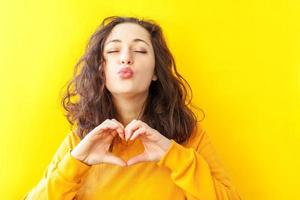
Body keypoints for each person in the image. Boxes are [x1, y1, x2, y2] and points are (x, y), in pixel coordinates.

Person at [24, 16, 242, 200]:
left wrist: (173, 155)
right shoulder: (81, 141)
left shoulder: (189, 137)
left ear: (156, 71)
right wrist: (75, 164)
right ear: (102, 70)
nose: (126, 58)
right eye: (113, 50)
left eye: (139, 50)